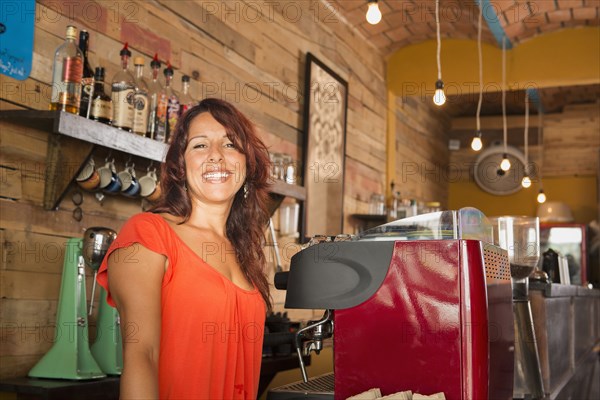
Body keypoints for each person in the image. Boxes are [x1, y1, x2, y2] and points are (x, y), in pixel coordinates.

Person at [96, 98, 272, 399]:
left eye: (230, 145)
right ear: (181, 163)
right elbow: (143, 356)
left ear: (247, 161)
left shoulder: (245, 249)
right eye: (200, 146)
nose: (216, 156)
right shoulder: (149, 234)